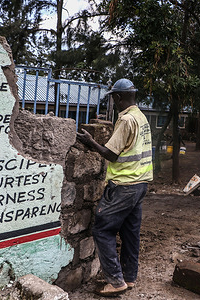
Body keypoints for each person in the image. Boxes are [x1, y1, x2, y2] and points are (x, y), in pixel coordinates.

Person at [77, 78, 153, 296]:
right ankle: (129, 278)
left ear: (118, 97)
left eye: (113, 97)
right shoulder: (141, 117)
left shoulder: (126, 120)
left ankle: (116, 281)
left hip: (124, 185)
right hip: (140, 185)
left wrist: (90, 141)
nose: (114, 101)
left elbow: (111, 154)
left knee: (102, 229)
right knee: (130, 233)